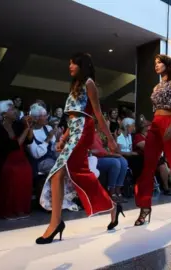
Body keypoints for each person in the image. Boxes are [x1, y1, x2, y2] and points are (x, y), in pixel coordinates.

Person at [36, 53, 123, 245]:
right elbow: (72, 118)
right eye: (69, 63)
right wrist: (63, 138)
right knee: (80, 174)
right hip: (75, 130)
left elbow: (97, 114)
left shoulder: (89, 83)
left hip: (84, 131)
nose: (70, 66)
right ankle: (112, 207)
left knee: (59, 173)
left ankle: (56, 222)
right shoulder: (74, 87)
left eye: (73, 63)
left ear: (82, 65)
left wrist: (110, 140)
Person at [134, 54, 171, 226]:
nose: (156, 65)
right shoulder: (155, 87)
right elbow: (157, 108)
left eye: (159, 62)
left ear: (167, 65)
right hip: (155, 123)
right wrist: (148, 123)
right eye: (155, 63)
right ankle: (145, 206)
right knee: (148, 165)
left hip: (170, 123)